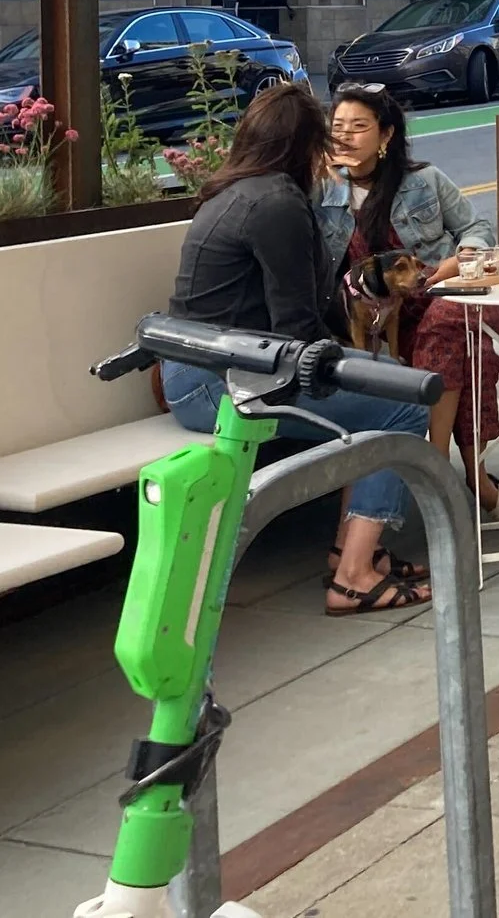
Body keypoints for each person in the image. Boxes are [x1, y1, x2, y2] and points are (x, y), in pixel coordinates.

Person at [165, 84, 432, 615]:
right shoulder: (277, 205)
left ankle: (349, 550)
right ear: (306, 146)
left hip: (202, 369)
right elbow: (298, 331)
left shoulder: (235, 189)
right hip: (222, 384)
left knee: (387, 377)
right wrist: (366, 371)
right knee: (404, 400)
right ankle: (353, 576)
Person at [319, 86, 499, 521]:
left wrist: (461, 259)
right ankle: (473, 479)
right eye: (337, 128)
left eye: (359, 126)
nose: (345, 136)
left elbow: (477, 225)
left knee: (445, 323)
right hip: (385, 322)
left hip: (452, 291)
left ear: (385, 135)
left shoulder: (423, 180)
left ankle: (436, 467)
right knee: (466, 349)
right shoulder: (325, 194)